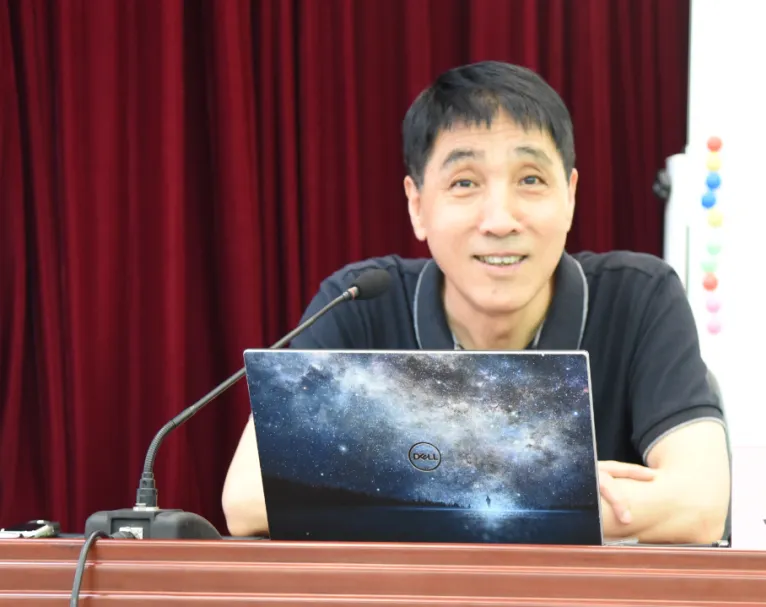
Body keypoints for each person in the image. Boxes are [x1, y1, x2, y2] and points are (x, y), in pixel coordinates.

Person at [222, 60, 730, 544]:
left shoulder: (639, 297)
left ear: (570, 196)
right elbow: (247, 498)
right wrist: (549, 493)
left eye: (530, 180)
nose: (500, 220)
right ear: (417, 206)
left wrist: (410, 495)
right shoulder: (358, 305)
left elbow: (701, 505)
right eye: (464, 183)